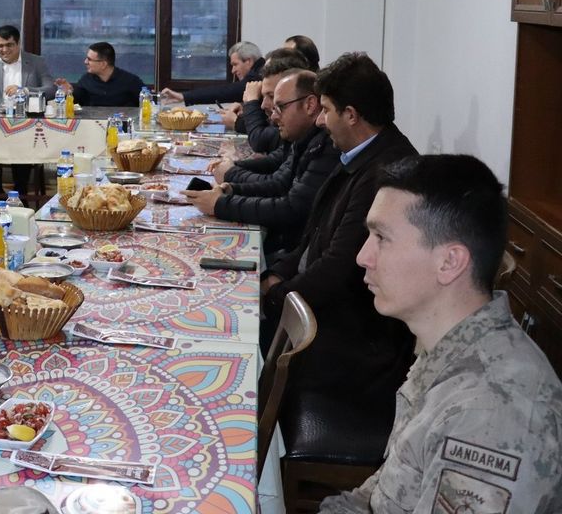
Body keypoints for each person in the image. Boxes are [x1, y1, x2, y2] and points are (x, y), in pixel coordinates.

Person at [320, 154, 562, 513]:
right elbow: (383, 493)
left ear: (449, 262)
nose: (362, 256)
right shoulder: (447, 347)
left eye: (381, 237)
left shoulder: (490, 415)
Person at [262, 52, 417, 410]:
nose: (319, 121)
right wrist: (276, 274)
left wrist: (275, 295)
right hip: (324, 311)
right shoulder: (358, 155)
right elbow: (313, 238)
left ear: (351, 114)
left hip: (350, 338)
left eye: (326, 110)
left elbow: (338, 269)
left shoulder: (385, 172)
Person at [186, 70, 337, 258]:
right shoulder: (305, 138)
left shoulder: (326, 145)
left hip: (290, 252)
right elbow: (279, 183)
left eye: (279, 106)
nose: (272, 115)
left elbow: (291, 208)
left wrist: (221, 204)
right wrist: (232, 189)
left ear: (310, 105)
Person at [0, 25, 57, 209]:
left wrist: (25, 90)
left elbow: (51, 89)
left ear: (18, 44)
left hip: (25, 126)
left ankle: (20, 195)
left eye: (9, 45)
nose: (4, 50)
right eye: (0, 46)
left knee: (21, 145)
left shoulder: (36, 62)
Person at [160, 41, 264, 106]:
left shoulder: (259, 75)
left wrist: (184, 96)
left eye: (235, 64)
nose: (233, 71)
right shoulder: (259, 70)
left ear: (248, 61)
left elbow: (226, 91)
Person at [52, 42, 145, 107]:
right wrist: (69, 92)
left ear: (103, 64)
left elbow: (147, 103)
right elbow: (76, 101)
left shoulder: (130, 81)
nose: (85, 62)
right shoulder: (86, 80)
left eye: (89, 59)